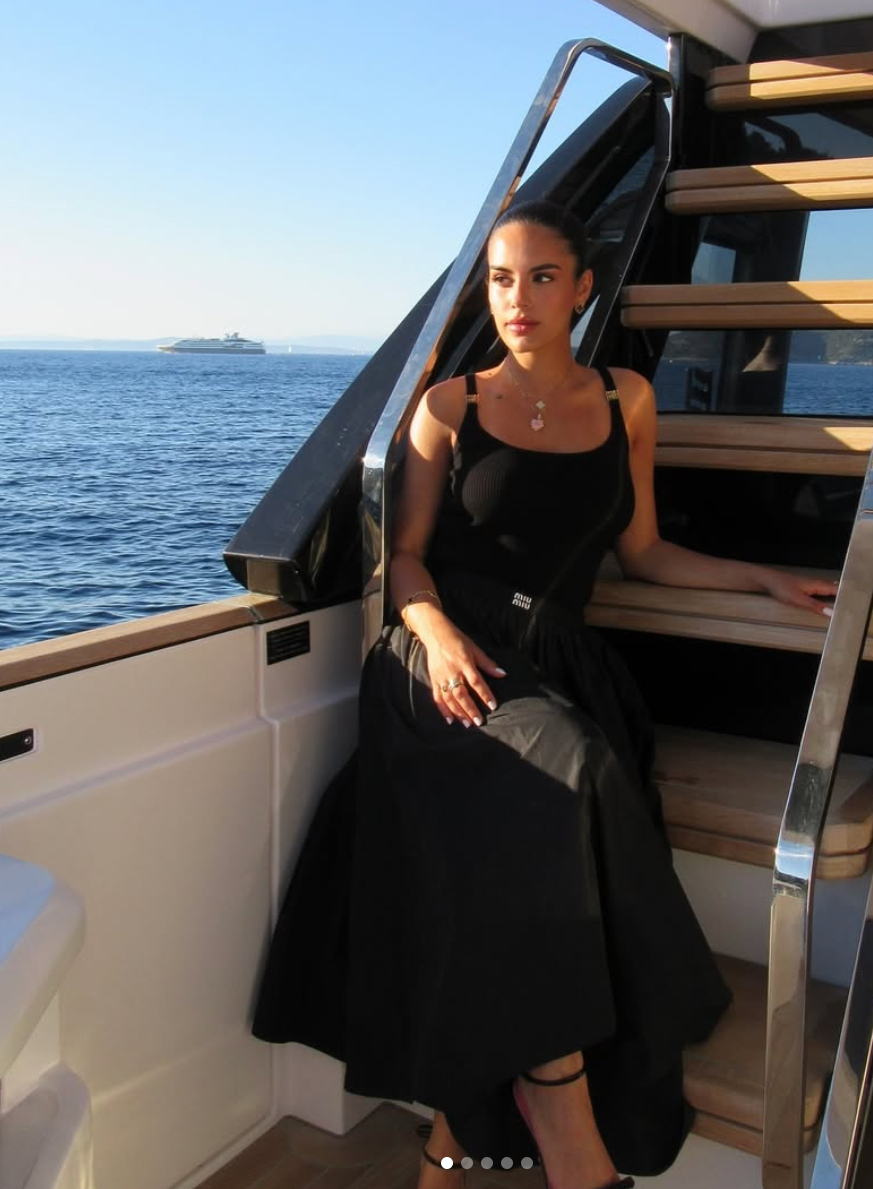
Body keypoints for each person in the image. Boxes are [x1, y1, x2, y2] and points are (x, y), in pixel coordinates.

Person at [251, 199, 837, 1189]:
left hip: (558, 656)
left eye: (540, 277)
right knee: (561, 772)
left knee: (558, 787)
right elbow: (405, 559)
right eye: (499, 279)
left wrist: (761, 578)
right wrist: (436, 638)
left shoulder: (626, 401)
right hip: (439, 654)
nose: (516, 298)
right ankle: (558, 1103)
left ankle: (454, 1134)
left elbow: (642, 552)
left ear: (583, 288)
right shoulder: (448, 408)